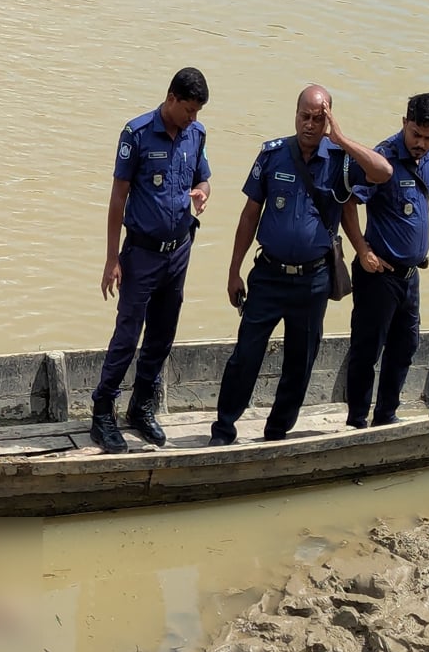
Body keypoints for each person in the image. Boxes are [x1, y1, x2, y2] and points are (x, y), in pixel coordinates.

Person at [209, 85, 391, 446]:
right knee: (245, 355)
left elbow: (383, 171)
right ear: (295, 115)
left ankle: (277, 433)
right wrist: (233, 271)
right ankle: (224, 429)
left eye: (318, 118)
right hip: (268, 276)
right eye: (304, 116)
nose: (309, 124)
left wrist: (339, 137)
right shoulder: (273, 155)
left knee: (300, 361)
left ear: (328, 119)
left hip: (313, 282)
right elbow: (249, 215)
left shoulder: (340, 160)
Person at [91, 67, 211, 454]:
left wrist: (202, 193)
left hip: (178, 252)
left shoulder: (197, 134)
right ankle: (102, 410)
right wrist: (112, 258)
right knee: (128, 335)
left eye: (197, 112)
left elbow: (204, 178)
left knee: (162, 334)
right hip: (141, 254)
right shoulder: (137, 134)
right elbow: (117, 199)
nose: (193, 117)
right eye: (188, 109)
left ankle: (140, 408)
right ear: (171, 98)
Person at [342, 93, 429, 429]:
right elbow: (348, 203)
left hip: (410, 276)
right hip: (378, 273)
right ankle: (356, 422)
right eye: (416, 134)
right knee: (367, 351)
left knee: (405, 348)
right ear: (404, 124)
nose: (421, 143)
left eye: (428, 137)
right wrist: (361, 249)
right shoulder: (382, 158)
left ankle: (386, 417)